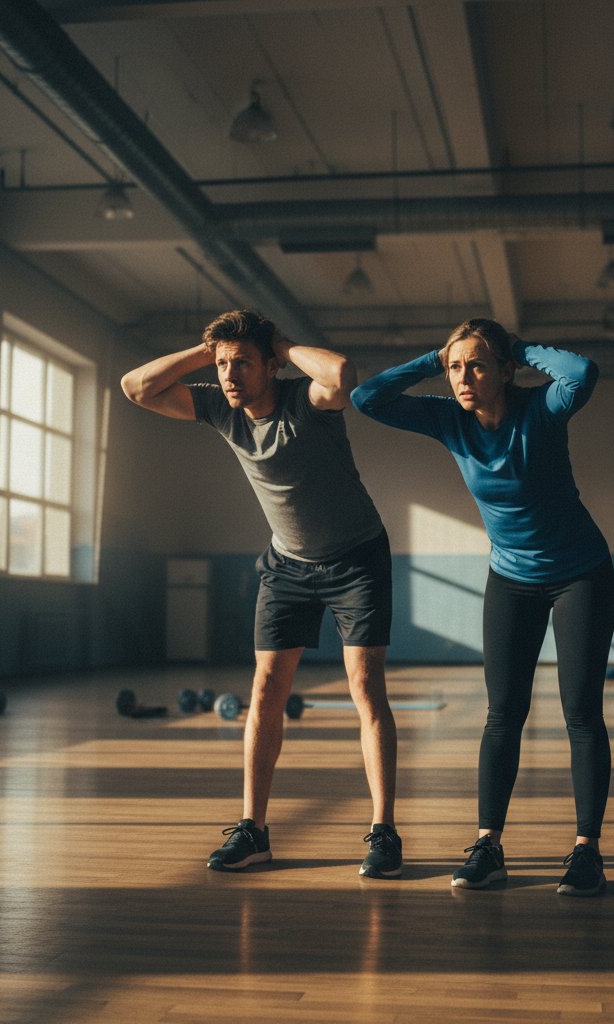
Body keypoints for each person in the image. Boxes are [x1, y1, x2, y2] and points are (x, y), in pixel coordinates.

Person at [121, 310, 401, 879]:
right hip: (287, 566)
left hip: (357, 559)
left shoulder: (307, 401)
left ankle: (383, 831)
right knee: (266, 687)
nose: (229, 375)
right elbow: (135, 388)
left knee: (365, 687)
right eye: (224, 365)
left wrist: (279, 344)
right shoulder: (222, 407)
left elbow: (343, 373)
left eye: (241, 363)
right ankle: (254, 831)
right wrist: (212, 351)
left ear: (270, 364)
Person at [351, 318, 614, 895]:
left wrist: (517, 347)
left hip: (581, 575)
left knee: (581, 714)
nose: (463, 378)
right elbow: (365, 398)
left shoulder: (542, 408)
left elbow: (583, 372)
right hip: (511, 579)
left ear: (503, 370)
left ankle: (586, 851)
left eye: (476, 365)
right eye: (455, 368)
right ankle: (489, 845)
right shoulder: (450, 419)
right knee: (503, 714)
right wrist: (435, 356)